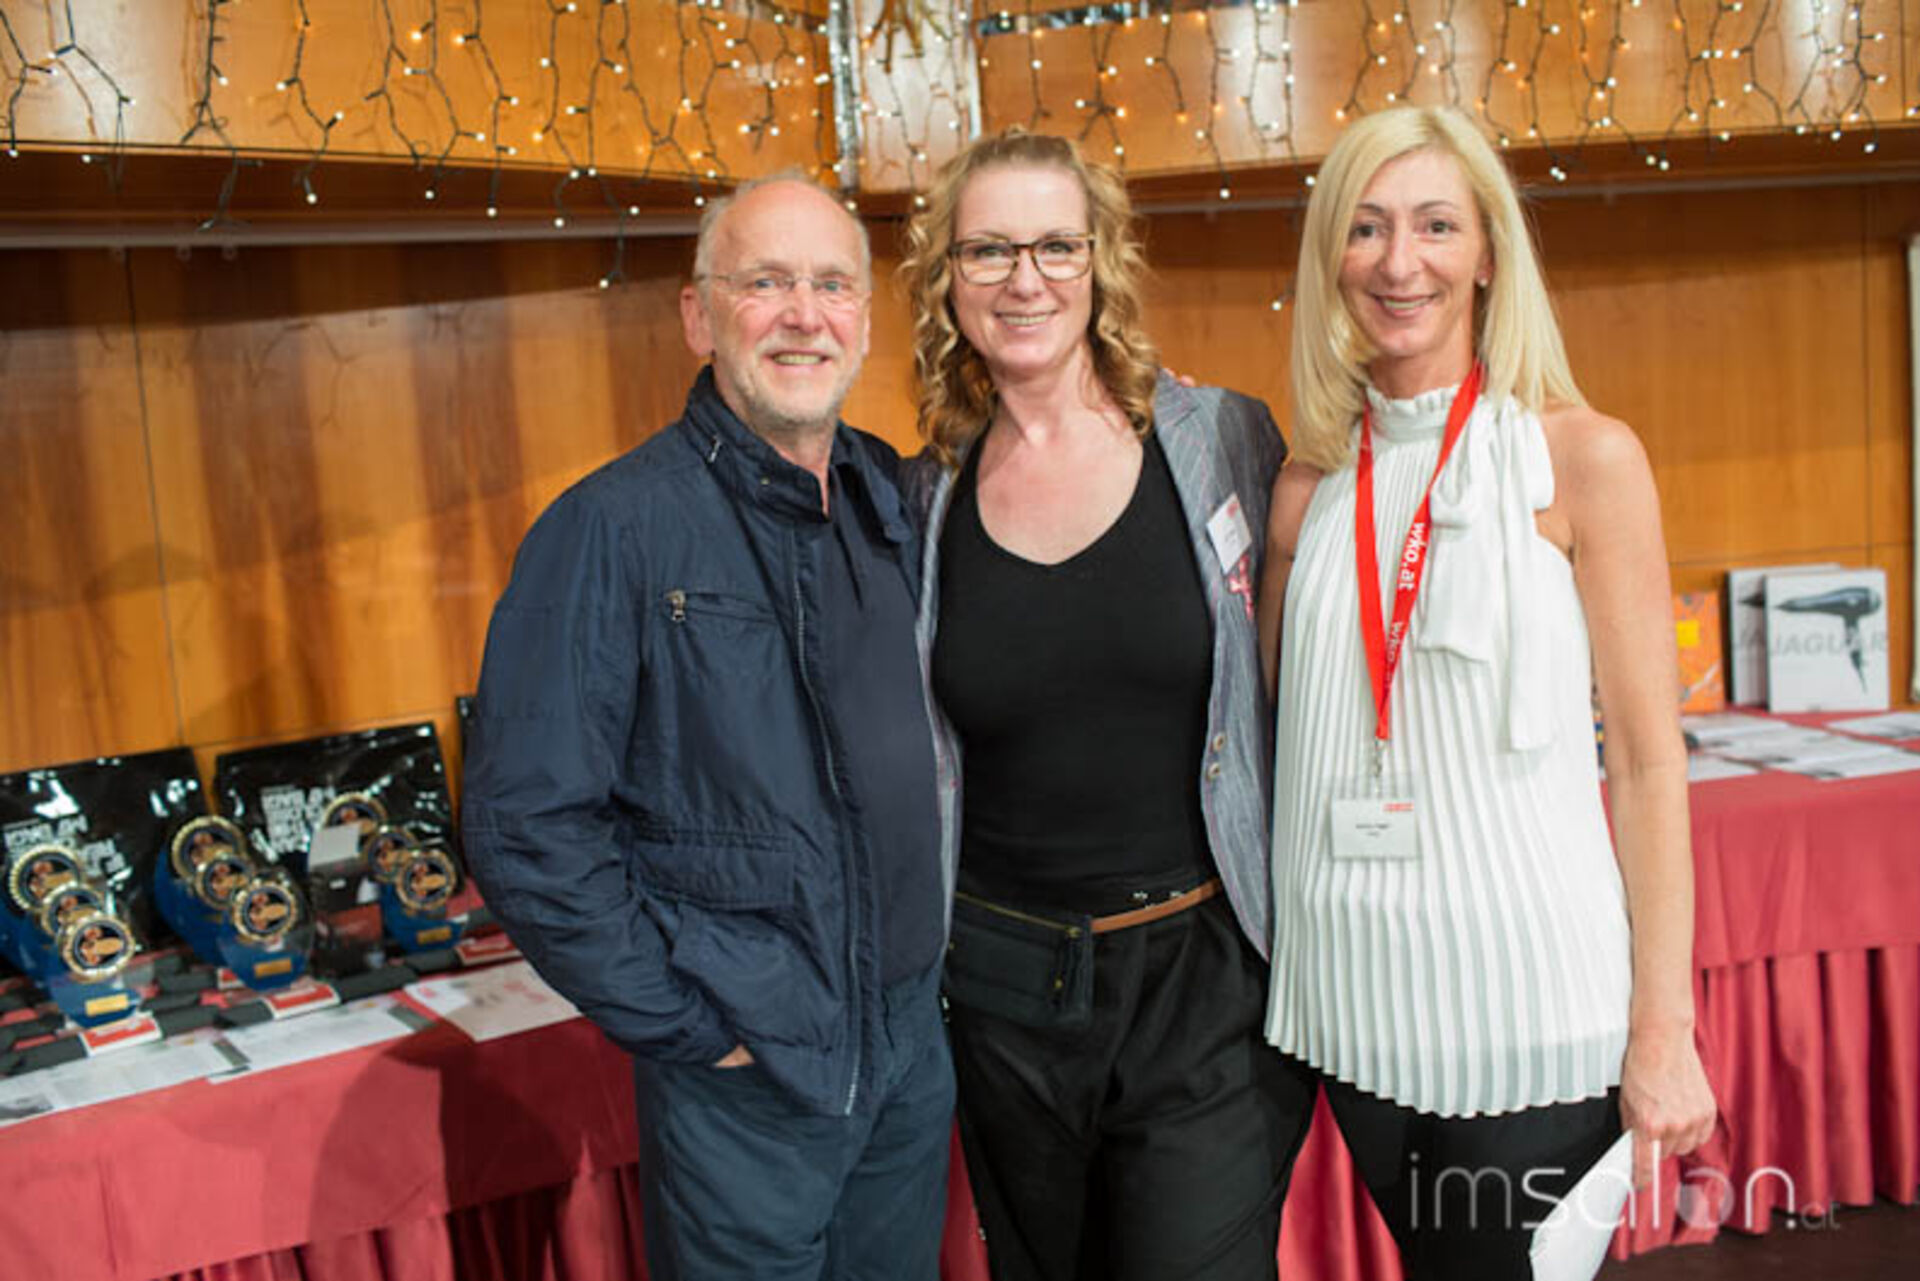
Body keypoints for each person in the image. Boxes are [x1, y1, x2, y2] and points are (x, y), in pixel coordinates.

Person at [463, 174, 954, 1281]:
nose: (802, 314)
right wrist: (691, 1027)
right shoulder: (610, 529)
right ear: (699, 315)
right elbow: (525, 824)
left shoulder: (890, 499)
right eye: (764, 282)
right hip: (749, 1074)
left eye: (831, 284)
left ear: (864, 318)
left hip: (910, 1049)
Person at [1260, 105, 1718, 1279]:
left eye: (1435, 225)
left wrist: (1664, 1027)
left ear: (1487, 255)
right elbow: (1267, 734)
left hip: (1535, 1012)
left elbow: (1649, 762)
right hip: (1354, 1014)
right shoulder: (1307, 490)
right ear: (1331, 259)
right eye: (1365, 228)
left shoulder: (1582, 458)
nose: (1398, 261)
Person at [899, 131, 1317, 1281]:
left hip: (1204, 976)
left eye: (1055, 246)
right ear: (947, 278)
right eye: (988, 250)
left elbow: (1301, 676)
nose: (1023, 279)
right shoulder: (923, 497)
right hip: (1004, 991)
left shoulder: (1225, 439)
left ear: (1102, 262)